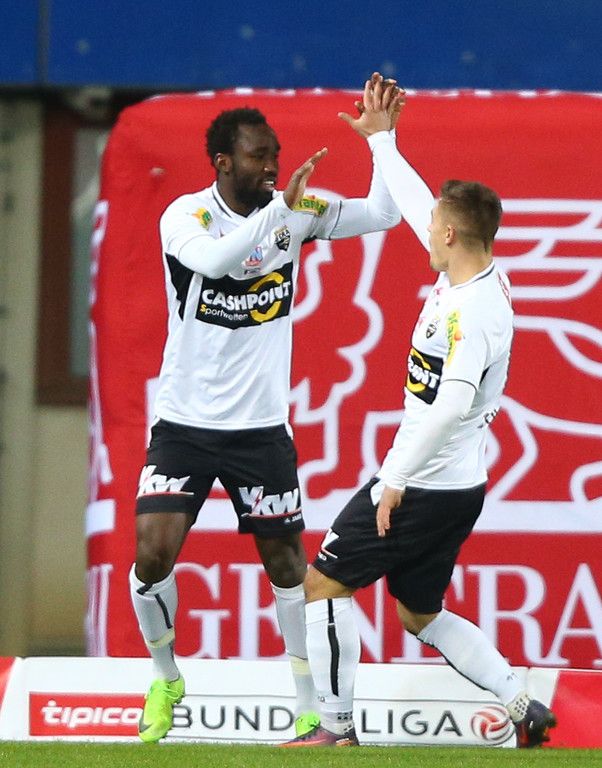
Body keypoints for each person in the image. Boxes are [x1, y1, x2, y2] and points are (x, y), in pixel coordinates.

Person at [283, 77, 557, 749]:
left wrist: (395, 479)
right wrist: (383, 140)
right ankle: (521, 704)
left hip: (423, 485)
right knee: (419, 613)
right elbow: (413, 204)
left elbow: (451, 404)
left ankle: (336, 730)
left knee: (322, 583)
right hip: (459, 484)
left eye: (435, 227)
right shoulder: (473, 274)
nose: (423, 231)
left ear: (453, 234)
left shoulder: (471, 312)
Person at [129, 103, 403, 742]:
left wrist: (383, 142)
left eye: (275, 156)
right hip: (185, 423)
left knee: (287, 566)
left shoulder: (293, 210)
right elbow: (217, 263)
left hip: (259, 428)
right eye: (259, 157)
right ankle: (165, 676)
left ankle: (306, 703)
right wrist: (282, 212)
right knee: (151, 554)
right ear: (223, 162)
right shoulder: (187, 217)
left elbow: (383, 213)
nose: (273, 167)